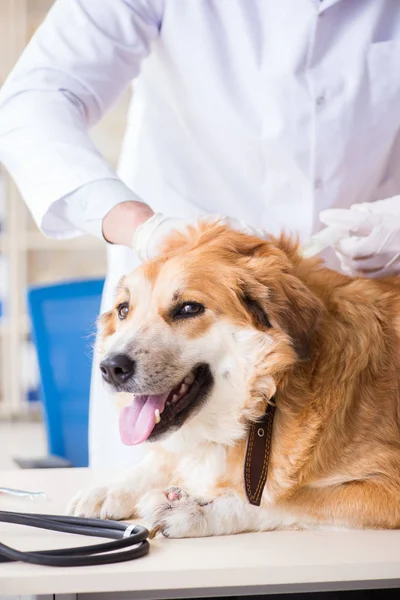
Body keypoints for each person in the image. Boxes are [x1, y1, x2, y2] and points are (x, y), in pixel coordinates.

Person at [1, 0, 400, 471]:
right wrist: (140, 225)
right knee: (165, 515)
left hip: (361, 310)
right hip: (179, 249)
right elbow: (37, 98)